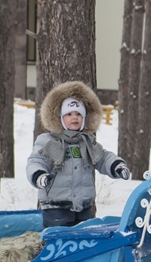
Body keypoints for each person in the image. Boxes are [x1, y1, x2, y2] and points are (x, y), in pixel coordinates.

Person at [26, 81, 131, 228]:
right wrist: (39, 175)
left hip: (84, 208)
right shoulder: (49, 141)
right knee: (59, 241)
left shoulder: (87, 142)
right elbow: (36, 161)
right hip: (56, 208)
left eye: (78, 114)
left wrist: (116, 166)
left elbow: (103, 158)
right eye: (69, 114)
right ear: (59, 117)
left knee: (83, 241)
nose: (74, 117)